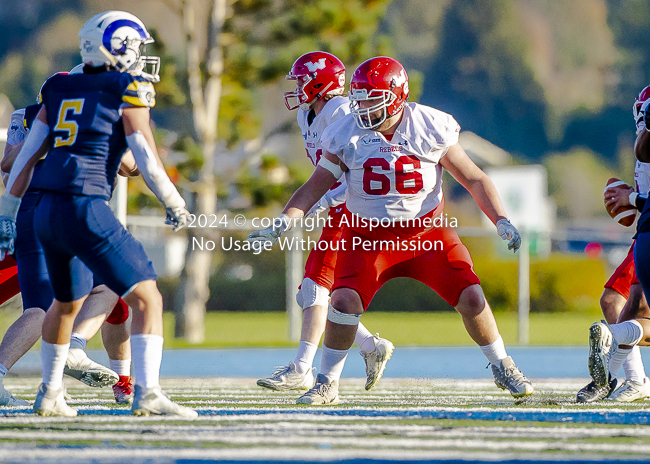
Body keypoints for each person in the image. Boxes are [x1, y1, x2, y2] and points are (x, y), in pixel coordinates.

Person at [249, 56, 533, 405]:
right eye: (360, 99)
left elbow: (474, 178)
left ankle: (503, 365)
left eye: (373, 100)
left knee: (471, 296)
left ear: (397, 97)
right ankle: (326, 383)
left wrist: (501, 219)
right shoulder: (345, 129)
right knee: (341, 300)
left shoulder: (429, 125)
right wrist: (285, 219)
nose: (364, 108)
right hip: (366, 235)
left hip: (427, 233)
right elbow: (316, 184)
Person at [0, 10, 195, 417]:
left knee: (66, 303)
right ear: (118, 46)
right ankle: (147, 391)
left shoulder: (56, 89)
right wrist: (175, 203)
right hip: (84, 204)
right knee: (146, 296)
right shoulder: (126, 86)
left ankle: (51, 392)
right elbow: (145, 160)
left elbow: (21, 161)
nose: (140, 56)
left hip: (43, 210)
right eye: (136, 46)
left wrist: (8, 211)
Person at [257, 52, 394, 393]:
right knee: (315, 293)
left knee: (315, 285)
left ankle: (303, 368)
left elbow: (360, 163)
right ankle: (370, 347)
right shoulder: (309, 115)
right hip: (337, 206)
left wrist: (327, 200)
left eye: (302, 81)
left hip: (356, 205)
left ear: (320, 82)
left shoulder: (342, 111)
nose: (297, 88)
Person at [0, 98, 136, 406]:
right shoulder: (99, 116)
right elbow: (134, 166)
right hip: (68, 214)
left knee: (108, 290)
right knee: (49, 306)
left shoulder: (31, 116)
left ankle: (113, 379)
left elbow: (8, 169)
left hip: (29, 213)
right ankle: (70, 358)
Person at [577, 86, 650, 403]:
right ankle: (623, 378)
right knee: (623, 304)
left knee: (632, 309)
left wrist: (631, 198)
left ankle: (613, 373)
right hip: (645, 231)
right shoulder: (643, 148)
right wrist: (634, 202)